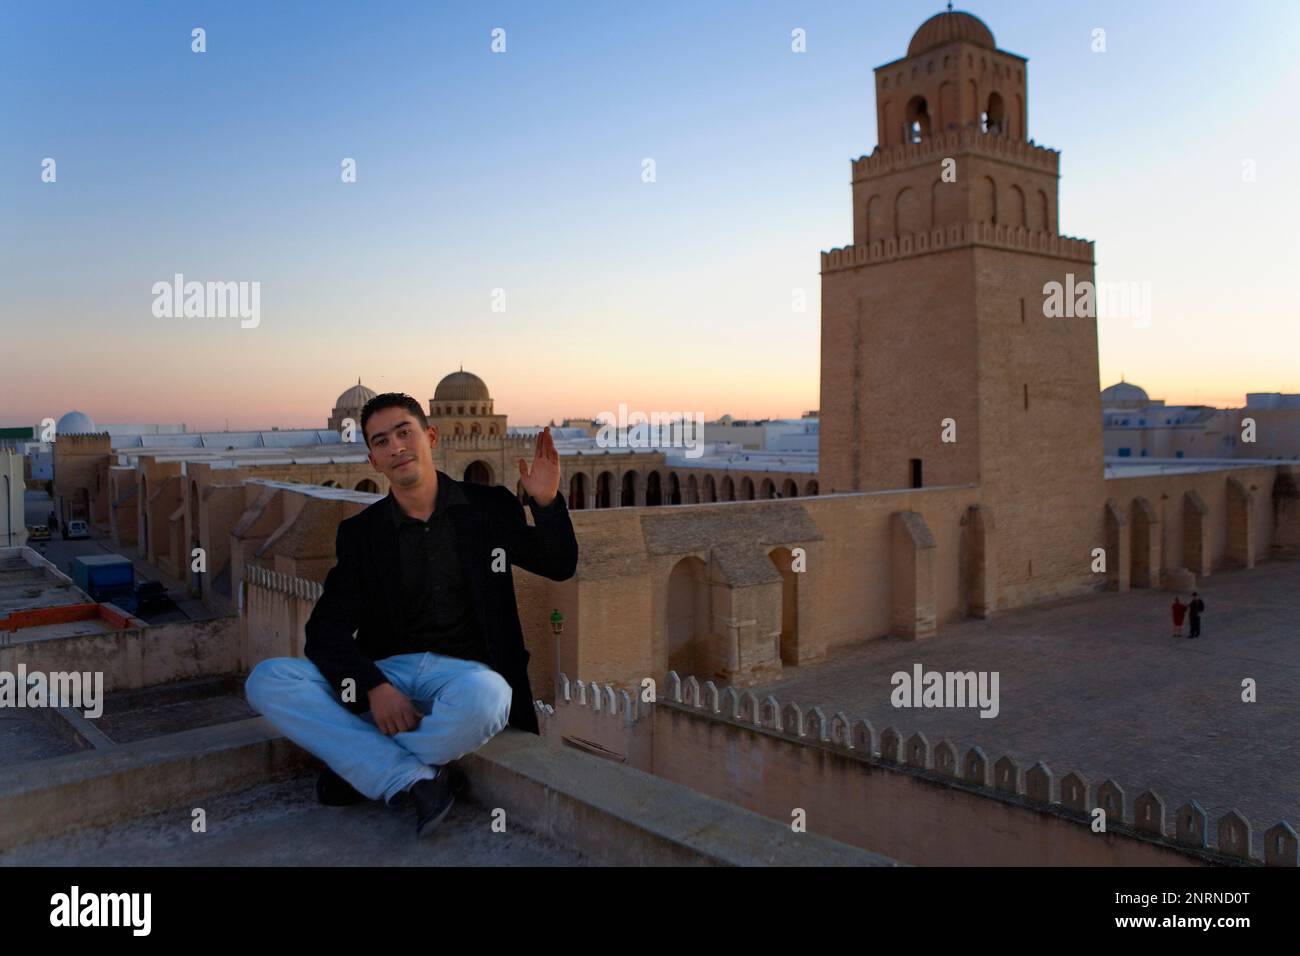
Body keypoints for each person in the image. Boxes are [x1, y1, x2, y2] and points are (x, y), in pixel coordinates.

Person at [244, 392, 578, 838]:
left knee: (489, 695)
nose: (396, 447)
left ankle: (372, 768)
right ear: (373, 459)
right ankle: (415, 773)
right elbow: (325, 630)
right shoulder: (362, 535)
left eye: (405, 432)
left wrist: (547, 503)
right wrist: (374, 687)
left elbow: (558, 564)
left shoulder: (488, 507)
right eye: (382, 442)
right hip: (396, 679)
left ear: (431, 436)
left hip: (469, 680)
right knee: (268, 680)